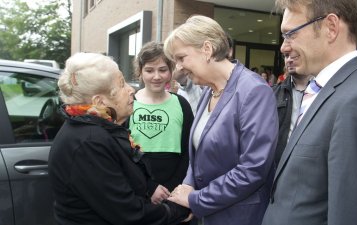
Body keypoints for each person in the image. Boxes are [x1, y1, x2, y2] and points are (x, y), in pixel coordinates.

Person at [262, 0, 357, 225]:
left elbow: (356, 216)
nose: (283, 47)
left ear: (331, 27)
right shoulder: (324, 90)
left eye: (290, 34)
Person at [48, 52, 190, 225]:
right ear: (99, 102)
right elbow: (128, 213)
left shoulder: (98, 129)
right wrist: (176, 211)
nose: (132, 89)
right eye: (122, 84)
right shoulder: (89, 142)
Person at [163, 15, 279, 225]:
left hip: (239, 217)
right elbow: (199, 152)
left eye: (181, 58)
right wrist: (189, 186)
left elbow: (253, 169)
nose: (178, 68)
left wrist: (196, 199)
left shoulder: (254, 91)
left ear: (206, 49)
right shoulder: (210, 90)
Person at [128, 41, 194, 201]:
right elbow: (121, 153)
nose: (156, 76)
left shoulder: (182, 104)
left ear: (171, 71)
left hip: (175, 191)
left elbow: (188, 151)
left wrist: (174, 187)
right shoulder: (129, 103)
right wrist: (148, 187)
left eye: (163, 70)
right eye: (149, 70)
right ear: (140, 72)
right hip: (136, 190)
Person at [272, 55, 311, 166]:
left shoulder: (322, 92)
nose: (289, 59)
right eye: (286, 56)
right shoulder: (273, 93)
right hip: (277, 166)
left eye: (295, 55)